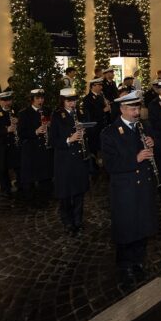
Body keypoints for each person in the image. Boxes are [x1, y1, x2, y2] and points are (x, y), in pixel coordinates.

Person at [100, 91, 158, 288]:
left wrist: (152, 143)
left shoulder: (144, 126)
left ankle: (139, 260)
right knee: (126, 227)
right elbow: (110, 164)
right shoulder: (109, 132)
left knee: (142, 223)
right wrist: (136, 158)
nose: (137, 112)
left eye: (138, 108)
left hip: (143, 185)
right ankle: (125, 265)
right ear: (122, 109)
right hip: (125, 189)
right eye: (132, 109)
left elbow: (149, 148)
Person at [49, 88, 90, 235]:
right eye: (69, 101)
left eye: (74, 100)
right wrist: (69, 139)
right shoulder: (56, 115)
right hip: (64, 161)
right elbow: (53, 140)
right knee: (66, 194)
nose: (72, 103)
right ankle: (68, 222)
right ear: (63, 101)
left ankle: (78, 220)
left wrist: (83, 132)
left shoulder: (78, 113)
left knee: (79, 192)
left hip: (79, 159)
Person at [16, 88, 53, 204]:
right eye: (37, 98)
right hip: (31, 148)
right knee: (31, 175)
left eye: (42, 98)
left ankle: (46, 196)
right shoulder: (24, 113)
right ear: (32, 100)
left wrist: (50, 126)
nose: (40, 100)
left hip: (45, 147)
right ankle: (32, 199)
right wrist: (35, 132)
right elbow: (21, 133)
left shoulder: (47, 110)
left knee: (46, 174)